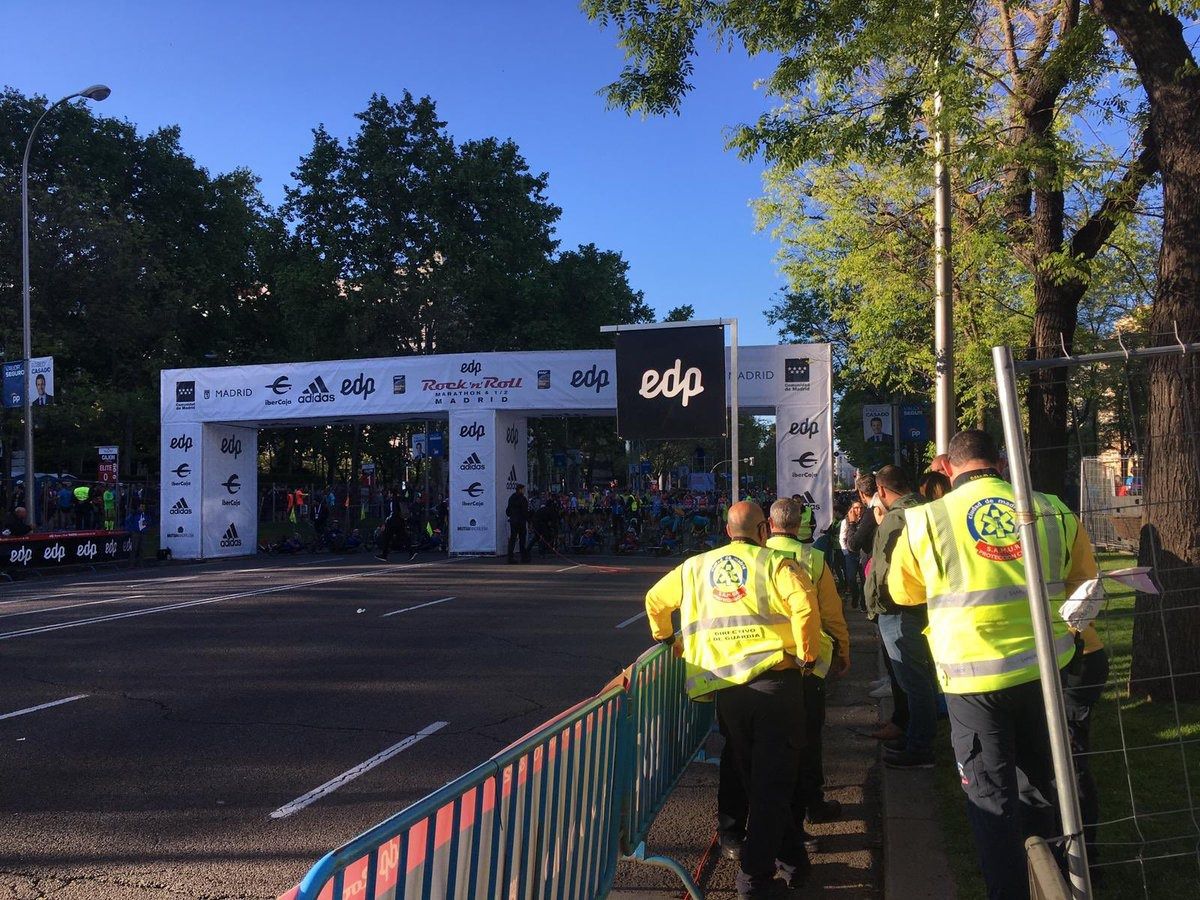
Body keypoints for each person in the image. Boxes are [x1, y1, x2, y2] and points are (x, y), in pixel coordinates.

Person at [888, 430, 1100, 900]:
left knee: (990, 796)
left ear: (948, 467)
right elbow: (1084, 580)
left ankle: (1009, 890)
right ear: (1000, 463)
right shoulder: (1051, 508)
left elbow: (903, 592)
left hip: (973, 675)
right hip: (1046, 670)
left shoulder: (926, 519)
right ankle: (1062, 881)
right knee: (1045, 781)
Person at [645, 501, 822, 898]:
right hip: (776, 690)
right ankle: (754, 881)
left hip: (729, 694)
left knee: (759, 782)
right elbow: (806, 609)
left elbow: (655, 601)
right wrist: (809, 659)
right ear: (763, 531)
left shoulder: (695, 567)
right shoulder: (776, 564)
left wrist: (666, 639)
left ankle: (793, 861)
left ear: (727, 531)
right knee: (774, 786)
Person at [765, 498, 850, 839]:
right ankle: (812, 804)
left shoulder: (757, 558)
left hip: (767, 666)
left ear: (768, 524)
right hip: (808, 666)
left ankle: (777, 818)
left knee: (774, 748)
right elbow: (831, 614)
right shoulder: (813, 559)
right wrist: (844, 649)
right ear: (799, 522)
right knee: (808, 741)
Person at [866, 465, 938, 769]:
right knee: (917, 678)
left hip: (897, 608)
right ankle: (914, 736)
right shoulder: (927, 509)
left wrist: (876, 603)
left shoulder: (896, 517)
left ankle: (920, 747)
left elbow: (883, 568)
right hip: (921, 603)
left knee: (913, 680)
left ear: (881, 491)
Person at [506, 483, 531, 564]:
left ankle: (510, 557)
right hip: (521, 521)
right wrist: (528, 520)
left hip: (513, 521)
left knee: (513, 539)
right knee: (522, 539)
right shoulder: (523, 499)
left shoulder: (511, 498)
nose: (524, 491)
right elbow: (525, 512)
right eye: (523, 489)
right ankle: (523, 557)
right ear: (520, 489)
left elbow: (508, 511)